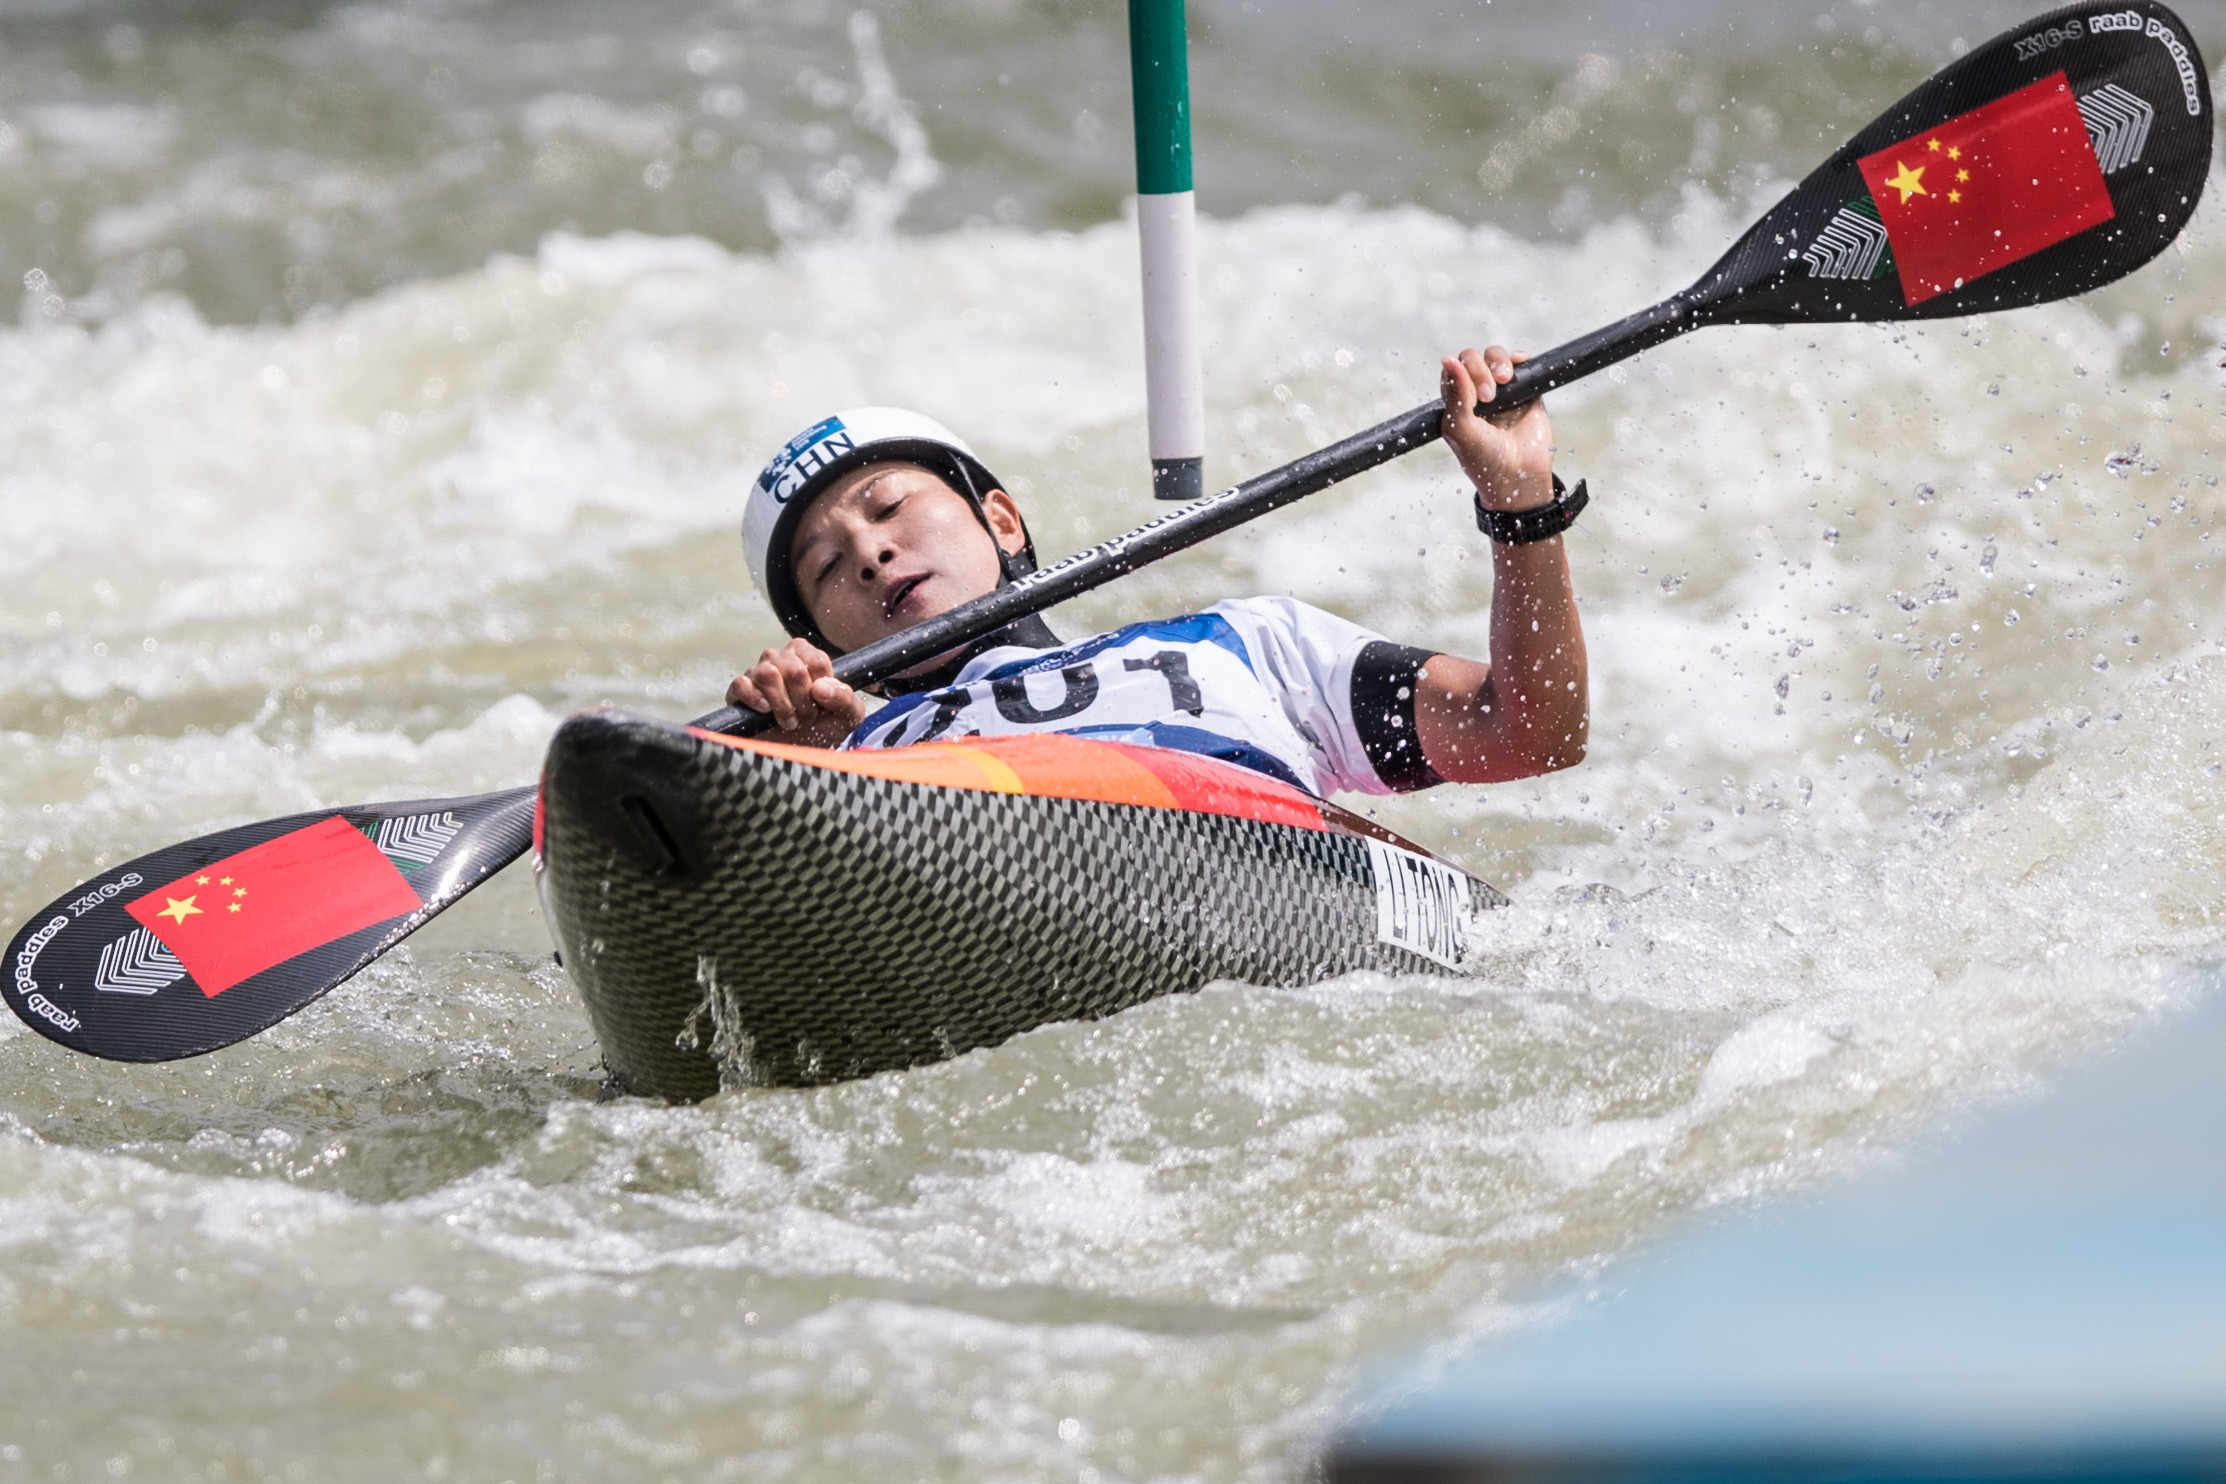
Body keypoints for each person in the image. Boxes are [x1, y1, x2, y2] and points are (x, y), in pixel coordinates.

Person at [727, 345, 1587, 799]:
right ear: (820, 643)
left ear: (1000, 518)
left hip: (1245, 857)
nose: (872, 554)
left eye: (888, 509)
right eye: (827, 566)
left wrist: (1521, 504)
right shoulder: (847, 761)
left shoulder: (1255, 643)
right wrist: (808, 769)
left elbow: (1530, 733)